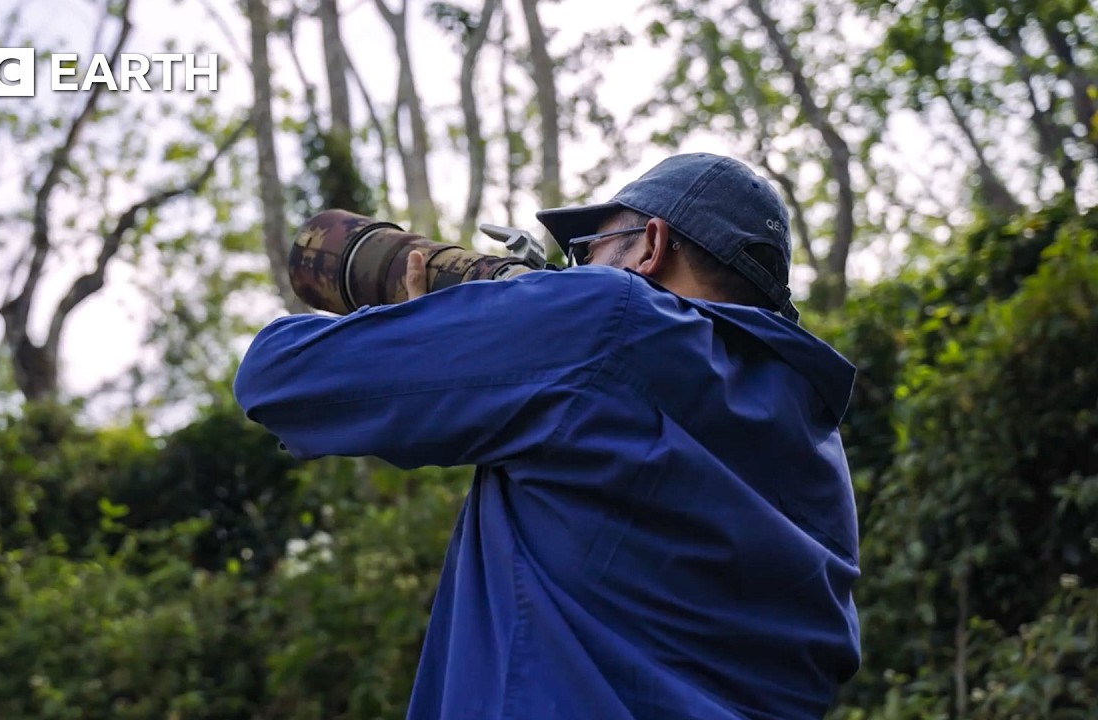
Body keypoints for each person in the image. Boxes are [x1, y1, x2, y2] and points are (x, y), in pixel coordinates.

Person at [233, 152, 861, 719]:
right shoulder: (820, 456)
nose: (575, 269)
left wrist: (434, 325)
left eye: (587, 249)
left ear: (650, 245)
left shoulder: (605, 320)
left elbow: (277, 375)